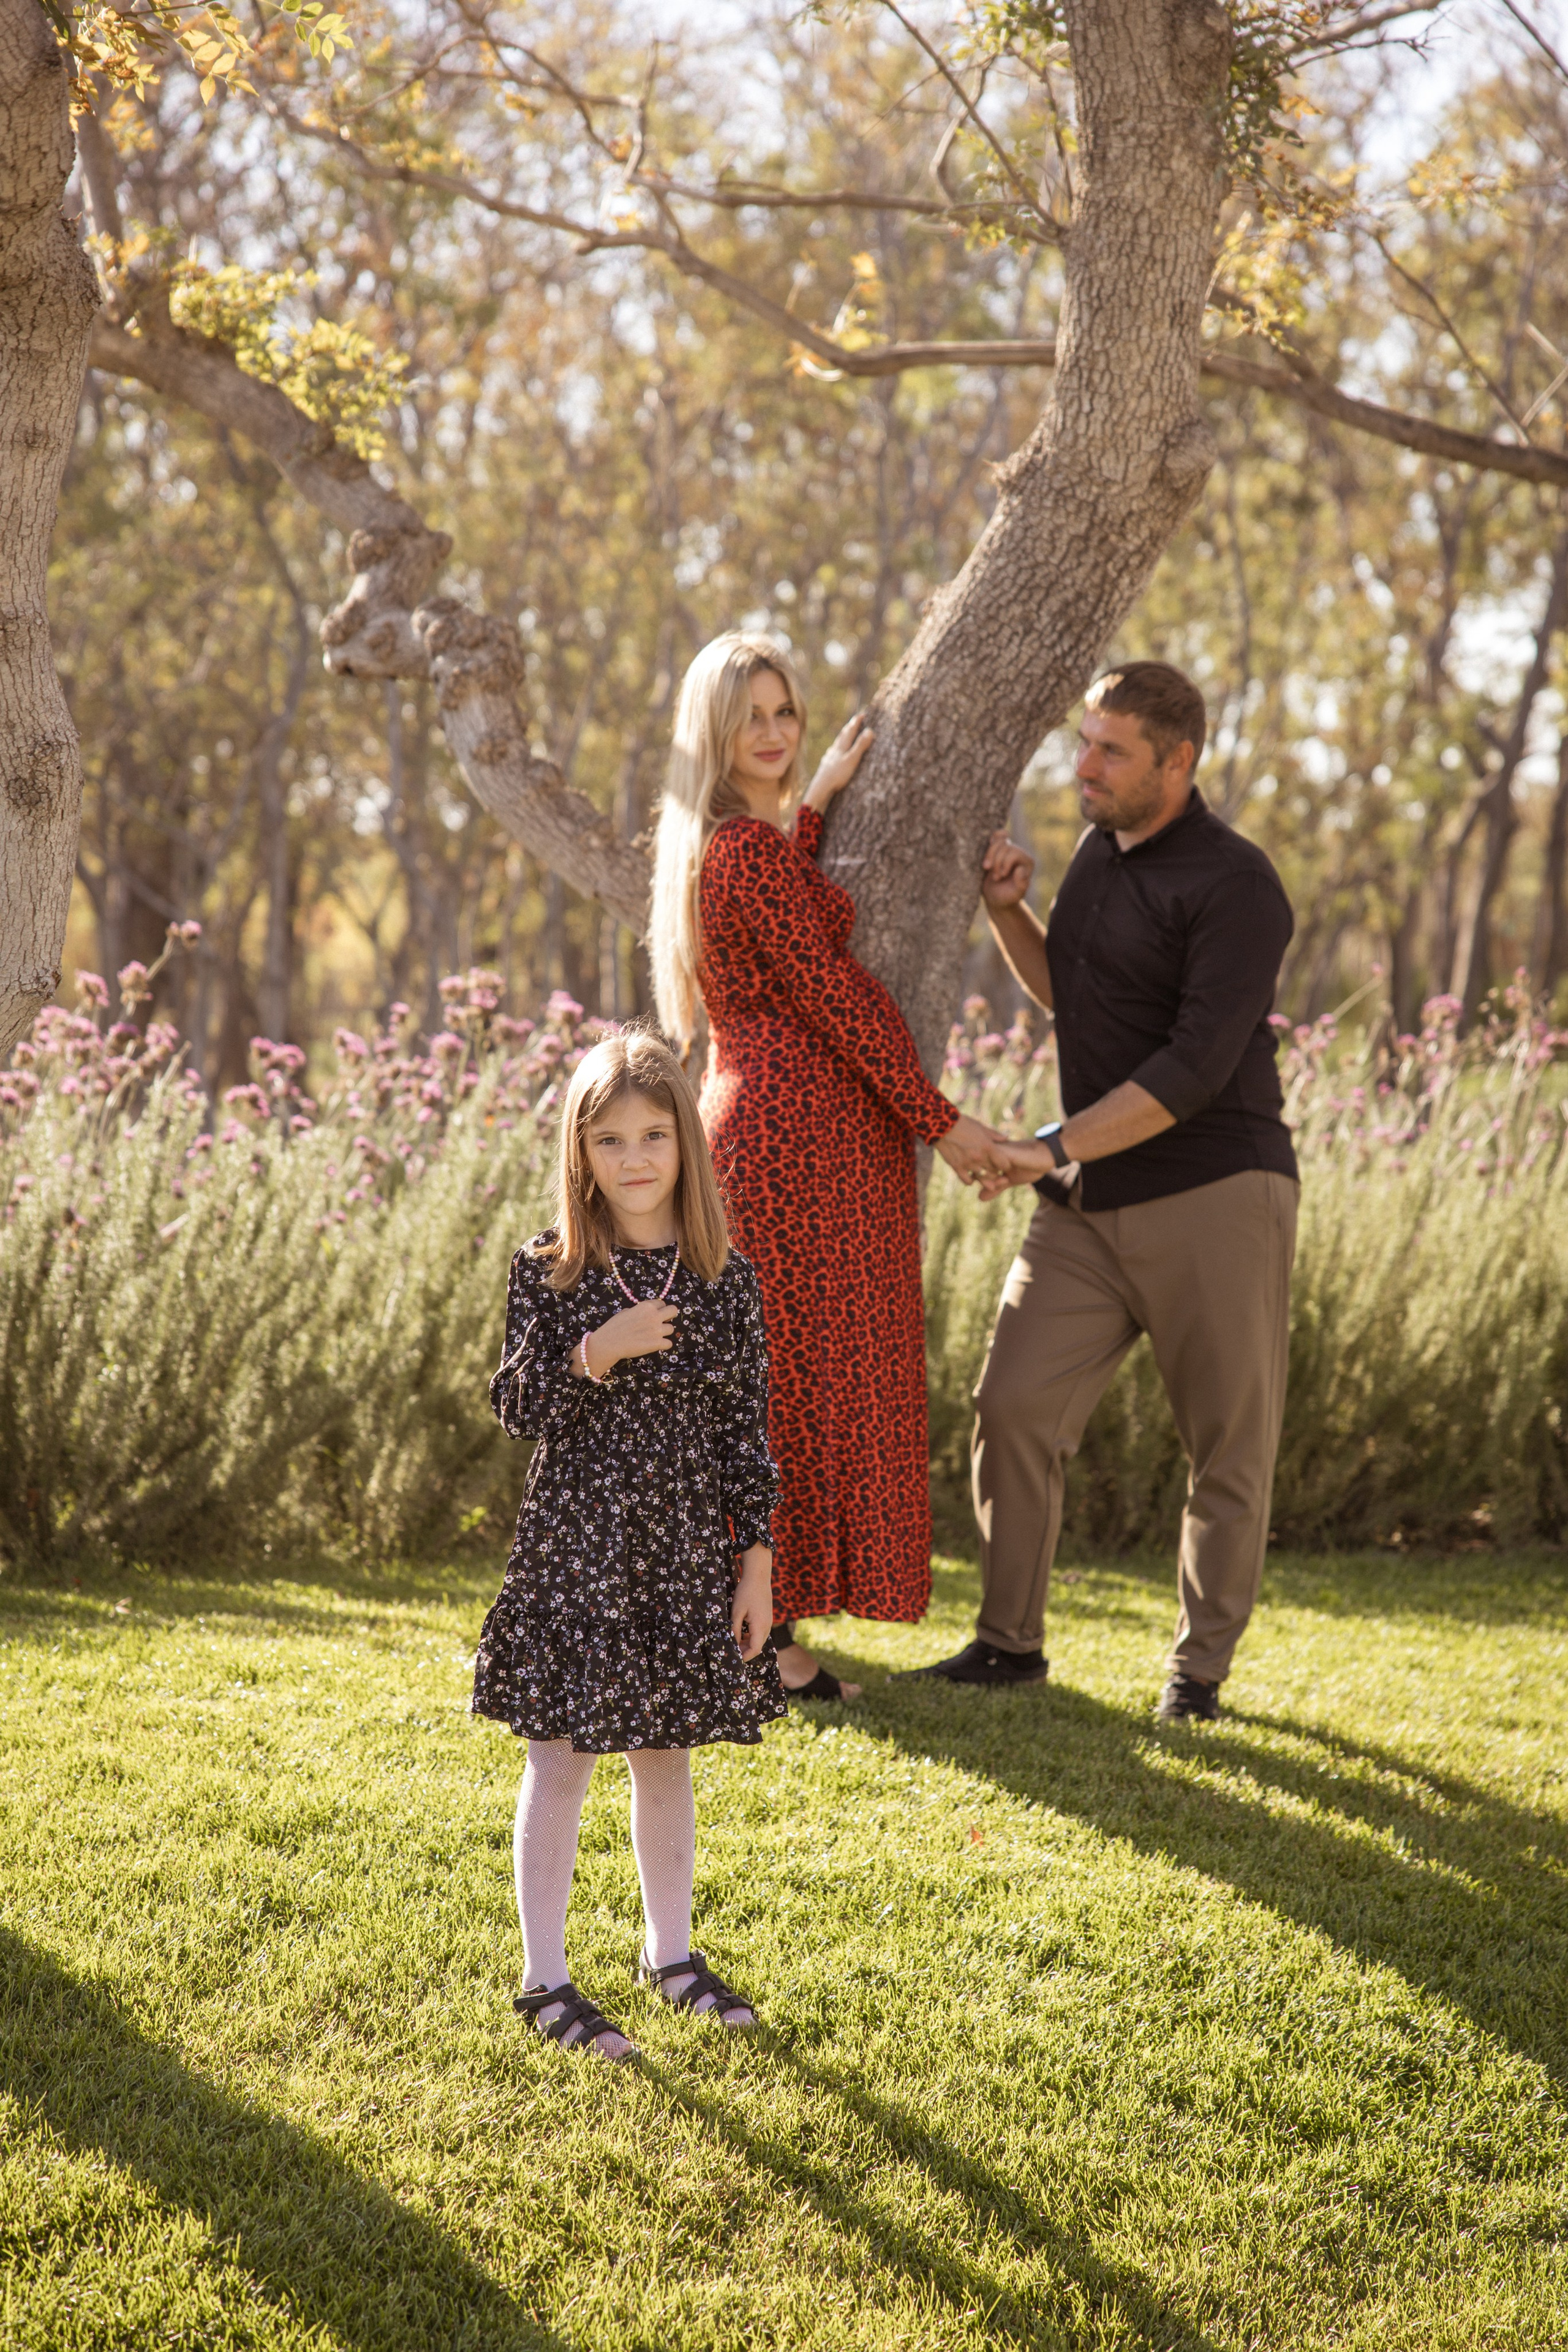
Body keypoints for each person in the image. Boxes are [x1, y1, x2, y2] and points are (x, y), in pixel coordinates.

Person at [914, 660, 1298, 1722]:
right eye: (1084, 740)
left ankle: (1198, 1673)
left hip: (1218, 1191)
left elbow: (1192, 1069)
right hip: (1088, 1203)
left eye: (1111, 749)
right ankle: (1008, 1646)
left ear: (1178, 763)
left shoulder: (1238, 886)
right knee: (1013, 1403)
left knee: (1228, 1444)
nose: (1083, 764)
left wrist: (1048, 1147)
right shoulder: (1094, 855)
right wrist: (1009, 915)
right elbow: (1077, 1003)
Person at [650, 633, 1004, 1700]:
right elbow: (831, 992)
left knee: (790, 1383)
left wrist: (813, 806)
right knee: (790, 1390)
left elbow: (784, 929)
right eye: (750, 717)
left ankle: (763, 1629)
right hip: (793, 1144)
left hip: (796, 1136)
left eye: (785, 714)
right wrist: (939, 1118)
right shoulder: (744, 854)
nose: (773, 733)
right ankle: (761, 1646)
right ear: (711, 734)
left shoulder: (741, 848)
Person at [472, 1028, 784, 2060]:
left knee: (664, 1755)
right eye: (611, 1141)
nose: (636, 1158)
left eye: (656, 1135)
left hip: (681, 1556)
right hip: (576, 1552)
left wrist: (757, 1563)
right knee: (560, 1760)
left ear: (688, 1145)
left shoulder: (721, 1280)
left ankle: (671, 1955)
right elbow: (515, 1404)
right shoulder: (553, 1272)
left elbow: (747, 1431)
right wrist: (593, 1353)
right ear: (581, 1155)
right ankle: (545, 1979)